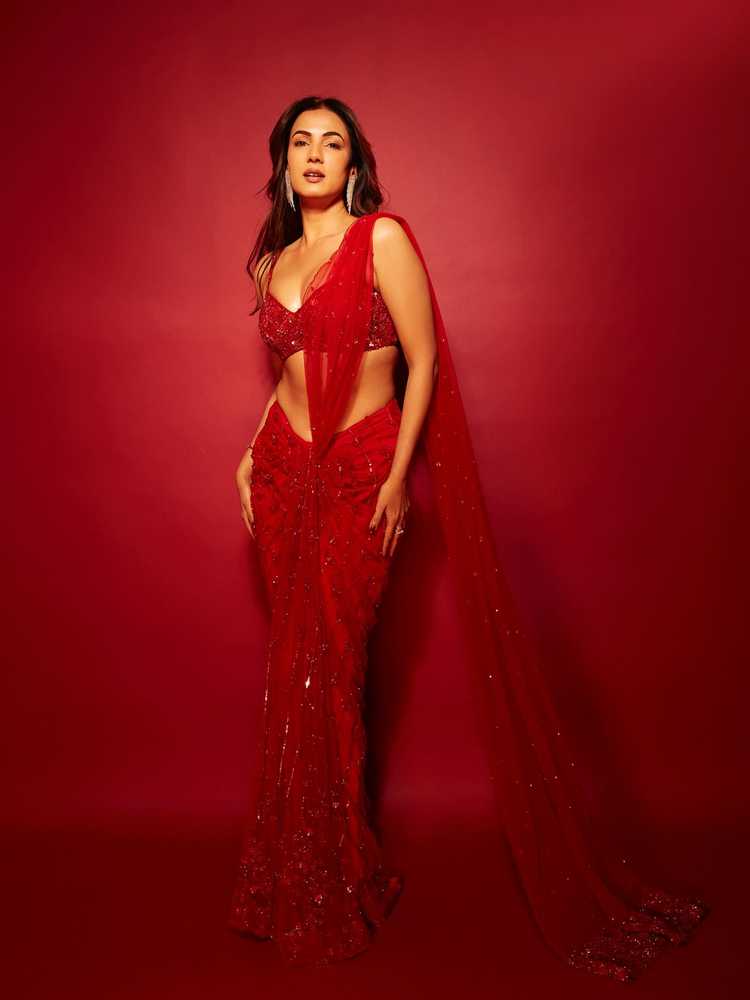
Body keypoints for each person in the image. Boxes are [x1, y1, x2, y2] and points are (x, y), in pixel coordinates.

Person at [228, 96, 709, 980]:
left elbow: (422, 361)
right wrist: (251, 453)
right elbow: (289, 374)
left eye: (333, 143)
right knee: (291, 667)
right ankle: (291, 872)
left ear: (353, 165)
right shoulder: (270, 262)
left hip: (358, 469)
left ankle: (340, 876)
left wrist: (395, 477)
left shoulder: (381, 240)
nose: (316, 154)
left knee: (333, 663)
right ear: (283, 161)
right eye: (302, 141)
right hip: (283, 475)